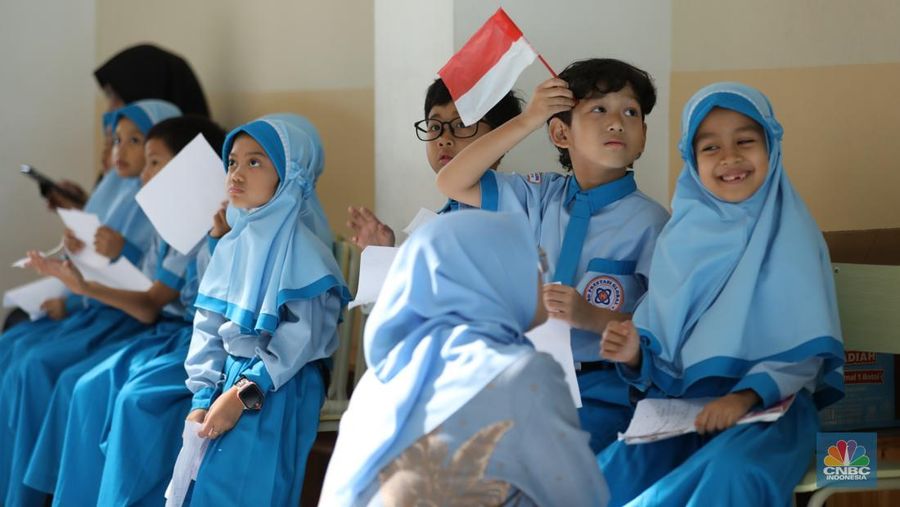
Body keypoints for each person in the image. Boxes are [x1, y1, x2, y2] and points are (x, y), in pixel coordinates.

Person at [598, 82, 845, 506]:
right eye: (710, 147)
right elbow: (662, 341)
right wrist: (634, 353)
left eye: (745, 141)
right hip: (685, 412)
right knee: (609, 474)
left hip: (772, 411)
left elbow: (805, 346)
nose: (730, 157)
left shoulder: (792, 235)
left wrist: (744, 397)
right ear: (692, 160)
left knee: (731, 472)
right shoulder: (679, 240)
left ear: (771, 146)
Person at [436, 58, 669, 451]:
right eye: (599, 109)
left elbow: (663, 326)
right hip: (527, 379)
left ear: (643, 135)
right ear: (561, 133)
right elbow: (452, 181)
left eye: (631, 112)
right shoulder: (539, 196)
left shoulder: (651, 222)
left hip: (604, 391)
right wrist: (529, 119)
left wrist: (591, 317)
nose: (617, 122)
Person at [321, 210, 608, 506]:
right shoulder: (520, 373)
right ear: (493, 276)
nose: (543, 272)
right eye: (535, 260)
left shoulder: (381, 378)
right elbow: (581, 497)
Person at [346, 78, 522, 249]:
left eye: (461, 124)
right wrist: (384, 253)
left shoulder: (519, 207)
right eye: (435, 127)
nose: (444, 139)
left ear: (502, 137)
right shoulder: (435, 225)